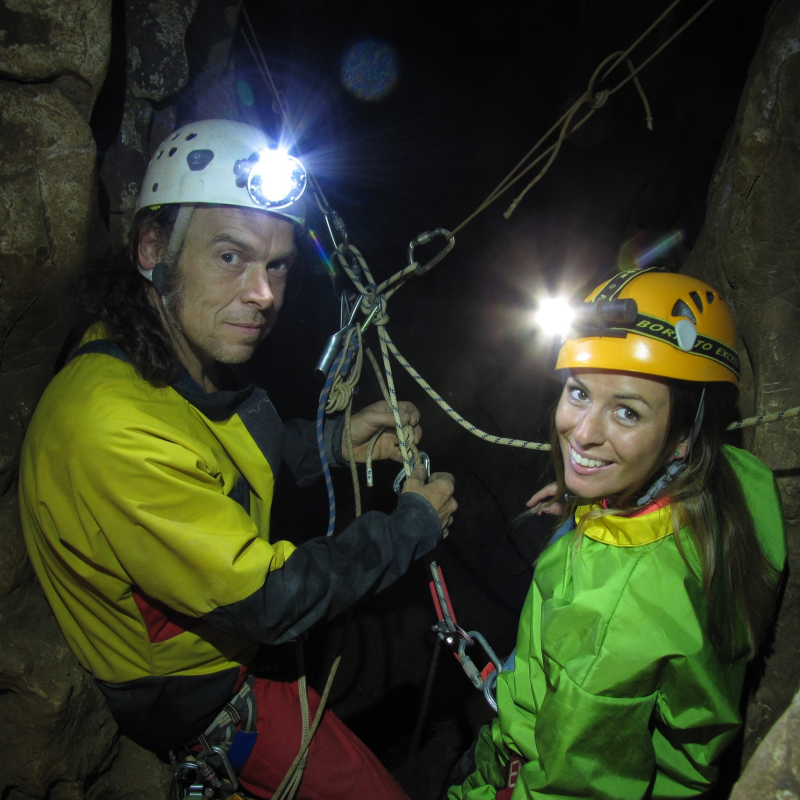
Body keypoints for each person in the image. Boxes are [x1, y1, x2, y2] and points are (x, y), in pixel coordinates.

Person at [19, 119, 457, 800]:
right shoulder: (108, 425)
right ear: (151, 246)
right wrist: (412, 527)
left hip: (218, 633)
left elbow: (205, 447)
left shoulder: (139, 350)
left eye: (277, 264)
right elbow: (271, 599)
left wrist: (331, 443)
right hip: (200, 690)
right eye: (231, 257)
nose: (263, 295)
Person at [448, 268, 786, 800]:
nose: (582, 433)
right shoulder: (738, 486)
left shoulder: (607, 622)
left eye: (627, 412)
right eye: (578, 392)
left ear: (682, 440)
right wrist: (597, 497)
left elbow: (571, 788)